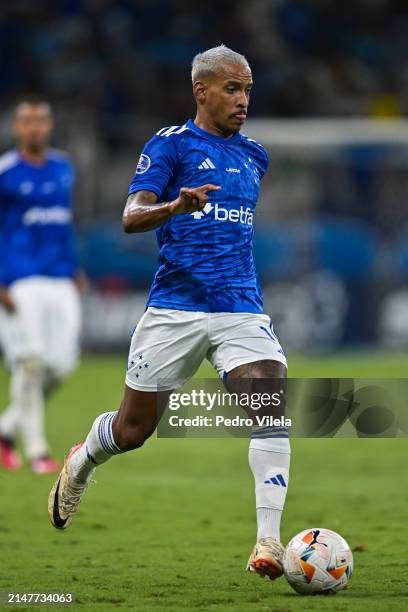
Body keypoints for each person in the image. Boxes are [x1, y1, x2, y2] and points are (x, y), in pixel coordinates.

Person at [48, 46, 290, 581]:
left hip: (239, 308)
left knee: (271, 407)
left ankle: (267, 543)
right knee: (133, 432)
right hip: (173, 311)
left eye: (248, 89)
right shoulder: (169, 145)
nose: (243, 100)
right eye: (232, 89)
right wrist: (175, 207)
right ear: (201, 92)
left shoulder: (255, 156)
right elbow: (132, 217)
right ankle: (84, 457)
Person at [0, 96, 83, 474]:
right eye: (27, 121)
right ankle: (37, 450)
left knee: (63, 365)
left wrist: (75, 266)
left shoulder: (63, 168)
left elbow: (63, 223)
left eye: (40, 120)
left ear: (49, 125)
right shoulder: (6, 171)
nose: (34, 127)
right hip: (21, 278)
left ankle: (5, 428)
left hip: (60, 276)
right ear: (17, 127)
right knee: (30, 361)